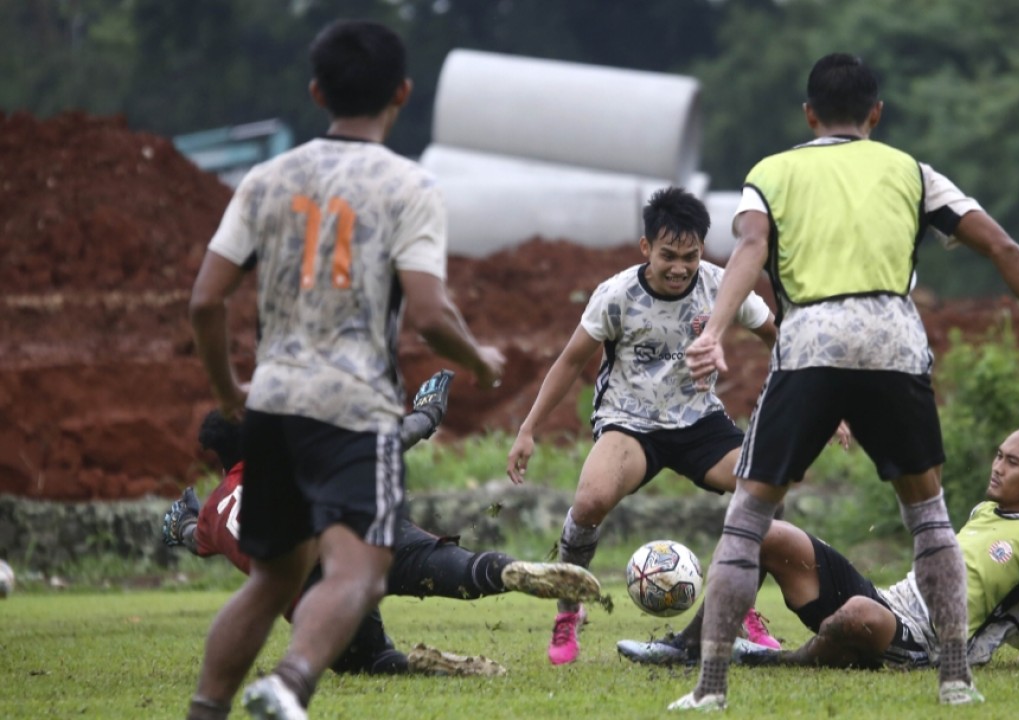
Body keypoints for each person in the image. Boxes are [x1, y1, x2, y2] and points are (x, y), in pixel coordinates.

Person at [672, 54, 1019, 710]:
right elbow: (1005, 249)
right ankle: (957, 678)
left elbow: (752, 248)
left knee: (747, 520)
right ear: (875, 114)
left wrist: (714, 331)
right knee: (929, 518)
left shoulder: (771, 172)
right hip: (894, 341)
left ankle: (709, 689)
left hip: (813, 339)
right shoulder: (912, 171)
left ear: (809, 115)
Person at [185, 20, 505, 720]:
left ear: (315, 90)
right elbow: (427, 313)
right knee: (362, 569)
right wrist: (477, 358)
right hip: (354, 410)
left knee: (271, 579)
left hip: (271, 403)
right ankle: (292, 682)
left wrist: (228, 390)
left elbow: (206, 300)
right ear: (402, 91)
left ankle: (206, 710)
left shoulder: (266, 179)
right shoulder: (407, 185)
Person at [505, 186, 799, 666]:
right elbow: (568, 362)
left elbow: (778, 337)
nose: (680, 266)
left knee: (768, 490)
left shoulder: (723, 286)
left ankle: (741, 609)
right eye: (668, 255)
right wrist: (528, 428)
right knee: (589, 502)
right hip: (630, 421)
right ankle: (568, 610)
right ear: (646, 249)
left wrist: (826, 405)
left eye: (690, 255)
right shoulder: (616, 295)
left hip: (699, 421)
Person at [163, 371, 603, 677]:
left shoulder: (212, 511)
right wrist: (427, 415)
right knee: (446, 564)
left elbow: (190, 536)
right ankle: (505, 571)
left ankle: (415, 664)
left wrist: (180, 520)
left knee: (369, 662)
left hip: (317, 599)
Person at [620, 427, 1019, 674]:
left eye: (1012, 462)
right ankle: (686, 649)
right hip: (888, 604)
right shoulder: (984, 513)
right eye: (999, 456)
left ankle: (780, 660)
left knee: (860, 614)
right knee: (768, 533)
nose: (997, 467)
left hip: (924, 644)